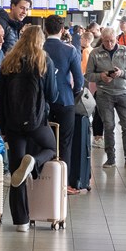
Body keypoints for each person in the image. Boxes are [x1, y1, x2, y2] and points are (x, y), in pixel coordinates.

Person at [0, 26, 59, 231]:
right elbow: (52, 95)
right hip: (36, 122)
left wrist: (4, 127)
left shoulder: (9, 60)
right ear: (40, 41)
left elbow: (1, 97)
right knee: (51, 148)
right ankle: (34, 160)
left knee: (17, 173)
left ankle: (21, 222)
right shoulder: (44, 61)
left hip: (13, 124)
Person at [86, 27, 126, 169]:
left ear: (116, 38)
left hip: (123, 93)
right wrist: (101, 76)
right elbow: (88, 75)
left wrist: (122, 73)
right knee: (109, 126)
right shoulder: (95, 53)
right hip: (104, 94)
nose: (109, 44)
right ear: (101, 40)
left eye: (112, 41)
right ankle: (110, 158)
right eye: (106, 41)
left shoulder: (124, 51)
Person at [43, 15, 84, 195]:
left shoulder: (39, 48)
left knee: (43, 142)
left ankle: (43, 180)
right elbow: (79, 80)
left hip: (43, 102)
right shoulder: (70, 50)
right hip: (65, 101)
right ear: (62, 30)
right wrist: (72, 95)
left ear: (45, 30)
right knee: (65, 143)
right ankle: (63, 184)